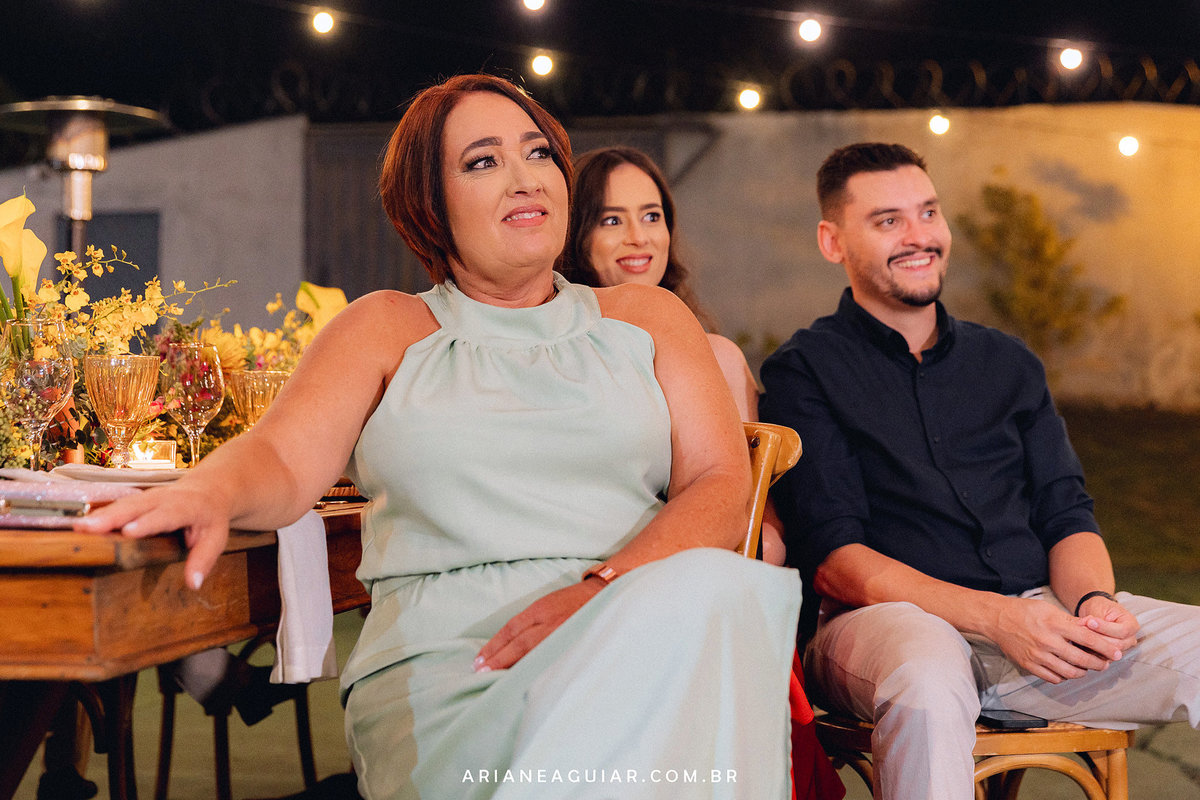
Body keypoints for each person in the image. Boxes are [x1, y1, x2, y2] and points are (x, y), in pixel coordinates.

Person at [75, 74, 801, 799]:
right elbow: (281, 457)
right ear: (429, 205)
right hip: (458, 661)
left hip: (637, 623)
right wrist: (210, 488)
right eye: (483, 162)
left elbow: (719, 484)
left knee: (719, 591)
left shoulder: (649, 318)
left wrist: (601, 594)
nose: (525, 178)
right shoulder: (385, 328)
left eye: (539, 153)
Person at [759, 142, 1200, 800]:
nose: (919, 236)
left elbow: (1066, 514)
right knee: (929, 674)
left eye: (928, 212)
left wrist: (1094, 604)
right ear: (833, 241)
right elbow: (837, 564)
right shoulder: (805, 370)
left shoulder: (1008, 364)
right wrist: (998, 620)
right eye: (888, 221)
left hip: (1038, 620)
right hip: (883, 626)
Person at [564, 146, 784, 565]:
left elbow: (752, 511)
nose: (639, 237)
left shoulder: (716, 357)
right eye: (612, 220)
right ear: (575, 235)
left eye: (652, 217)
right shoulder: (551, 355)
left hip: (685, 562)